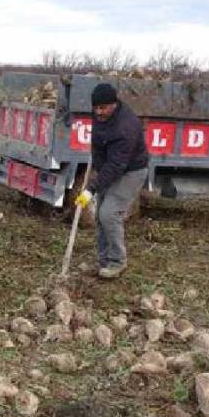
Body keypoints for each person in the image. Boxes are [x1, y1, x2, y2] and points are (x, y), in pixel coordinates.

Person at [74, 83, 149, 279]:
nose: (99, 112)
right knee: (99, 214)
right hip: (110, 166)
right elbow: (99, 143)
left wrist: (90, 189)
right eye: (96, 108)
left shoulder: (126, 127)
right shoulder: (100, 115)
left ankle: (117, 262)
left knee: (109, 214)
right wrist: (97, 162)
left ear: (114, 104)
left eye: (103, 108)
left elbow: (116, 166)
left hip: (131, 172)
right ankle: (103, 261)